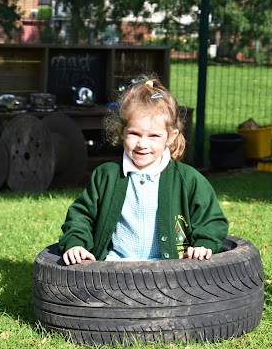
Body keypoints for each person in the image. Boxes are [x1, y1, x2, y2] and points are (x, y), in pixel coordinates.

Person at [59, 76, 228, 265]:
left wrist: (203, 244)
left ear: (170, 137)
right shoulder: (106, 175)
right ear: (121, 131)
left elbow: (212, 221)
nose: (142, 144)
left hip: (172, 269)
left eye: (154, 135)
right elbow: (81, 216)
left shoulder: (189, 179)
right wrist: (75, 244)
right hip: (114, 267)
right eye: (134, 134)